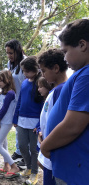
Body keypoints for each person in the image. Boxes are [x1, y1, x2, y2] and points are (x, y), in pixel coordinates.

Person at [40, 19, 89, 185]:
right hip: (71, 166)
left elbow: (73, 125)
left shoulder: (87, 76)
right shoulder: (82, 73)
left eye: (65, 51)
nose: (64, 57)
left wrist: (46, 146)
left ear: (82, 45)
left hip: (76, 171)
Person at [37, 49, 68, 185]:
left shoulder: (61, 91)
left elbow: (61, 123)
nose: (42, 74)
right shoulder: (55, 90)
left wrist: (46, 144)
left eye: (44, 70)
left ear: (56, 68)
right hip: (48, 145)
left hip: (52, 150)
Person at [13, 56, 44, 185]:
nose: (24, 74)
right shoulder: (25, 82)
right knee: (22, 146)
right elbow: (20, 100)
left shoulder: (40, 83)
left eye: (26, 71)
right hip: (22, 120)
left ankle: (34, 173)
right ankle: (28, 167)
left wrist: (39, 124)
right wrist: (15, 116)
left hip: (34, 122)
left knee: (33, 149)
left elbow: (43, 104)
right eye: (23, 71)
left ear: (35, 70)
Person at [0, 70, 20, 178]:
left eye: (1, 80)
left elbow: (4, 108)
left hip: (7, 121)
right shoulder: (1, 93)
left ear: (8, 80)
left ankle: (14, 166)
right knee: (4, 144)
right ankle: (6, 166)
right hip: (0, 120)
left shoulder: (11, 93)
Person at [5, 39, 26, 166]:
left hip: (24, 100)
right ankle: (19, 151)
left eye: (11, 53)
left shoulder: (25, 63)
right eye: (7, 53)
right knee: (17, 126)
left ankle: (26, 155)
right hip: (15, 100)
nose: (9, 56)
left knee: (25, 129)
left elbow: (27, 83)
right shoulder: (10, 64)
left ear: (17, 51)